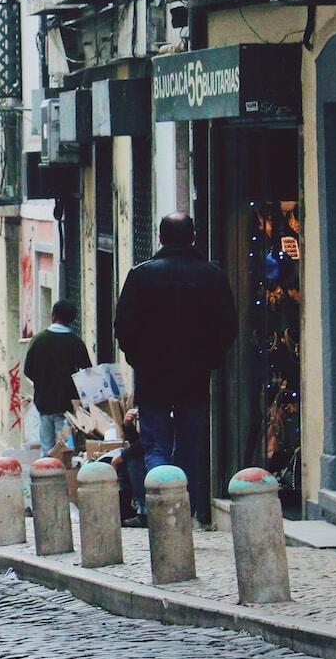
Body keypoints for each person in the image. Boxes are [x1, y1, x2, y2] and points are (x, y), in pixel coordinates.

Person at [114, 213, 238, 526]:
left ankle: (159, 509)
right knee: (189, 443)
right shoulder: (212, 276)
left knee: (155, 444)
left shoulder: (141, 275)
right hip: (194, 374)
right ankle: (187, 511)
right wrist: (211, 359)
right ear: (193, 236)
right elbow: (228, 325)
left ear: (160, 237)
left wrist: (137, 358)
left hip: (153, 375)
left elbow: (123, 326)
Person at [23, 299, 91, 454]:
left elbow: (28, 371)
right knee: (66, 448)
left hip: (44, 403)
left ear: (52, 315)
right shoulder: (76, 343)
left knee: (46, 447)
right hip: (67, 405)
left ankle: (45, 474)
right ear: (72, 319)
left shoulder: (38, 340)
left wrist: (43, 382)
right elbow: (87, 373)